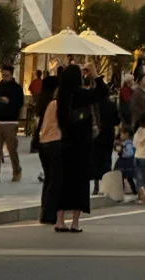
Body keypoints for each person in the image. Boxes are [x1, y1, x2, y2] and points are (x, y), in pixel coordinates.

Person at [55, 63, 93, 232]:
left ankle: (60, 220)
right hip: (81, 143)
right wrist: (95, 75)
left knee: (63, 181)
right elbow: (101, 94)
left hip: (65, 142)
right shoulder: (81, 94)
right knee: (80, 183)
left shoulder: (61, 97)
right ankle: (75, 222)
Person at [0, 61, 23, 184]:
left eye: (6, 75)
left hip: (10, 122)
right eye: (3, 75)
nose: (4, 77)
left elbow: (19, 104)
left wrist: (9, 102)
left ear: (11, 75)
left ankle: (17, 171)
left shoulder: (17, 89)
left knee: (12, 149)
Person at [34, 74, 62, 223]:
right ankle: (50, 213)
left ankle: (45, 211)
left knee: (48, 179)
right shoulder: (55, 104)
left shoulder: (42, 103)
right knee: (54, 180)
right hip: (54, 141)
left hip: (43, 142)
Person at [90, 76, 118, 196]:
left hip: (97, 135)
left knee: (96, 159)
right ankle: (106, 185)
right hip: (109, 133)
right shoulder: (111, 104)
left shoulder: (94, 105)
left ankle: (96, 186)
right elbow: (117, 120)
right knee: (107, 159)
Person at [114, 125, 138, 197]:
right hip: (124, 162)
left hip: (126, 163)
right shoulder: (125, 143)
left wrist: (123, 150)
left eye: (122, 134)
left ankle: (131, 191)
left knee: (126, 177)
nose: (120, 136)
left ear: (127, 134)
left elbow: (129, 153)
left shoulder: (129, 144)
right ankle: (132, 191)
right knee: (126, 177)